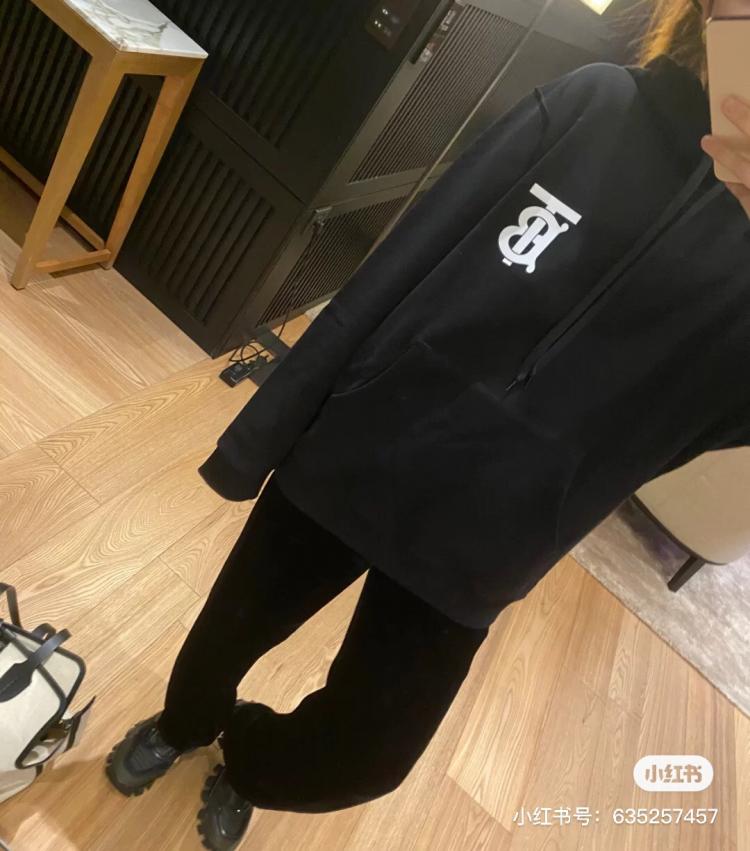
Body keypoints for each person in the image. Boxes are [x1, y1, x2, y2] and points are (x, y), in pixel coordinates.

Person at [106, 0, 750, 848]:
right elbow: (408, 257)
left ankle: (250, 761)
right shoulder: (596, 103)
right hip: (373, 438)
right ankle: (186, 722)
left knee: (367, 755)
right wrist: (268, 430)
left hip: (501, 528)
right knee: (229, 631)